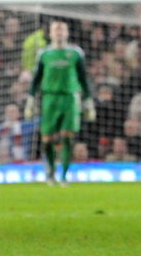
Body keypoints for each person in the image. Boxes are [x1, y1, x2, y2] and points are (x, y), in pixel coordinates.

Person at [25, 21, 94, 185]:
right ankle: (50, 172)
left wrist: (89, 102)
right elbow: (36, 79)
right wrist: (30, 100)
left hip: (70, 98)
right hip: (49, 98)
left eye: (62, 29)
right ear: (50, 33)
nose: (59, 32)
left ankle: (64, 175)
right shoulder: (44, 54)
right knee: (47, 139)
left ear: (67, 33)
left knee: (67, 137)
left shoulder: (76, 53)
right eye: (56, 29)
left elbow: (84, 79)